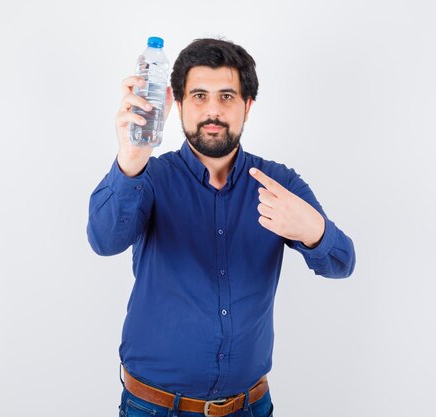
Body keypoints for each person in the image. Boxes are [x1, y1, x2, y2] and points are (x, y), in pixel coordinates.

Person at [87, 38, 356, 417]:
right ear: (176, 105)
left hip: (249, 407)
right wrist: (131, 156)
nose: (213, 110)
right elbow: (104, 239)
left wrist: (313, 230)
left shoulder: (278, 184)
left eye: (227, 96)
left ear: (247, 107)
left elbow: (343, 262)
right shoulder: (149, 176)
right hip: (153, 409)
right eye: (199, 96)